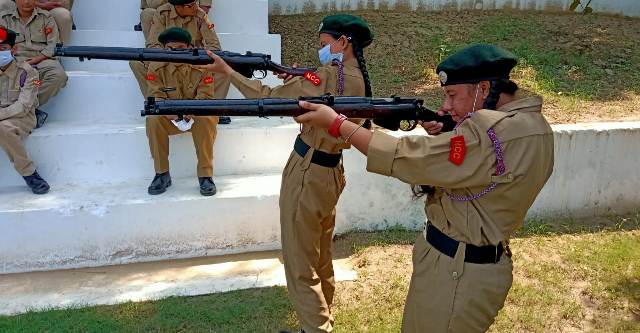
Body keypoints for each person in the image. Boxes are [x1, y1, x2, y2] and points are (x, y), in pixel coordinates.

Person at [294, 44, 555, 333]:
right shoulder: (531, 124)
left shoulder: (491, 132)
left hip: (457, 273)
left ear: (483, 88)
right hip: (465, 266)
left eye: (452, 95)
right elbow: (481, 174)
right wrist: (448, 134)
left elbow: (406, 155)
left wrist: (338, 124)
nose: (447, 105)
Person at [201, 14, 373, 333]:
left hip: (307, 172)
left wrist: (228, 72)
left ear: (344, 42)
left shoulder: (326, 75)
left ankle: (315, 329)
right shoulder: (356, 76)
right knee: (320, 258)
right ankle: (320, 320)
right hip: (331, 171)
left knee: (298, 263)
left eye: (325, 44)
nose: (321, 51)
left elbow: (267, 96)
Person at [145, 27, 218, 196]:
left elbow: (205, 96)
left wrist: (189, 111)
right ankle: (162, 174)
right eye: (169, 48)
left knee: (207, 118)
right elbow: (155, 96)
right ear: (164, 49)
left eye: (180, 48)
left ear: (189, 47)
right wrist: (170, 114)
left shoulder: (202, 65)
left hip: (196, 115)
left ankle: (205, 175)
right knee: (153, 120)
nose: (174, 52)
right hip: (170, 117)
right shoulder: (155, 67)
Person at [130, 0, 231, 123]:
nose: (196, 7)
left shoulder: (200, 15)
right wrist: (169, 60)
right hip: (168, 65)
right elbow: (153, 45)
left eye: (195, 3)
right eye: (191, 5)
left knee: (225, 65)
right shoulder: (162, 14)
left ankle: (213, 111)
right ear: (178, 6)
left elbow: (214, 46)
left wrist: (197, 58)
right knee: (136, 63)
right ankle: (159, 108)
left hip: (194, 65)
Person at [0, 0, 68, 128]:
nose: (26, 2)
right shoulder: (5, 18)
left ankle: (23, 108)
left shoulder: (46, 18)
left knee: (58, 76)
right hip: (14, 60)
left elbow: (52, 45)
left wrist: (34, 61)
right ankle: (26, 112)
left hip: (42, 60)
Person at [0, 27, 50, 194]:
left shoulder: (29, 73)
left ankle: (30, 174)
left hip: (23, 117)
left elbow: (23, 106)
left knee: (4, 128)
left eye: (2, 48)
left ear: (13, 49)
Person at [0, 0, 73, 44]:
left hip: (49, 12)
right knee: (2, 4)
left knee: (64, 15)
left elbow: (64, 4)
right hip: (18, 7)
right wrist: (39, 5)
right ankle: (6, 49)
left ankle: (60, 52)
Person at [137, 0, 212, 40]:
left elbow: (204, 7)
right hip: (162, 17)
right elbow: (145, 6)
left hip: (188, 13)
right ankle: (158, 55)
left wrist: (201, 15)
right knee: (146, 13)